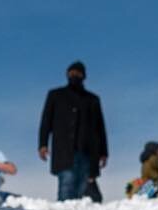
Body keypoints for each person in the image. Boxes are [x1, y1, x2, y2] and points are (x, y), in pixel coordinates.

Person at [38, 61, 108, 201]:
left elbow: (100, 127)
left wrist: (103, 152)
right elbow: (46, 121)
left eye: (78, 73)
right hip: (64, 152)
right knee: (67, 185)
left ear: (84, 76)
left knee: (84, 189)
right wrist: (43, 144)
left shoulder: (93, 99)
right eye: (71, 73)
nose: (74, 75)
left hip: (88, 152)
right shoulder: (56, 95)